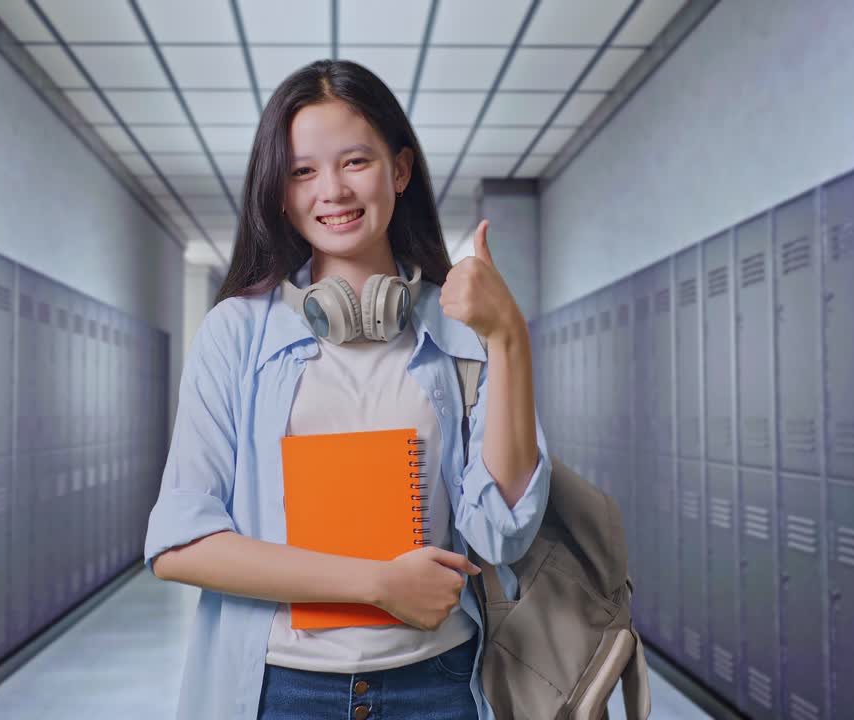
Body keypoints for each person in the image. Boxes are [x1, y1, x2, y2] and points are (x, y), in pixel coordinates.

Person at [143, 59, 551, 720]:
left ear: (399, 170)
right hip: (282, 689)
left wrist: (507, 337)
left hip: (437, 685)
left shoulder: (462, 332)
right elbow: (180, 543)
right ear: (280, 191)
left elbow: (503, 532)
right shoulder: (235, 333)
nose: (330, 190)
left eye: (354, 161)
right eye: (303, 171)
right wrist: (378, 584)